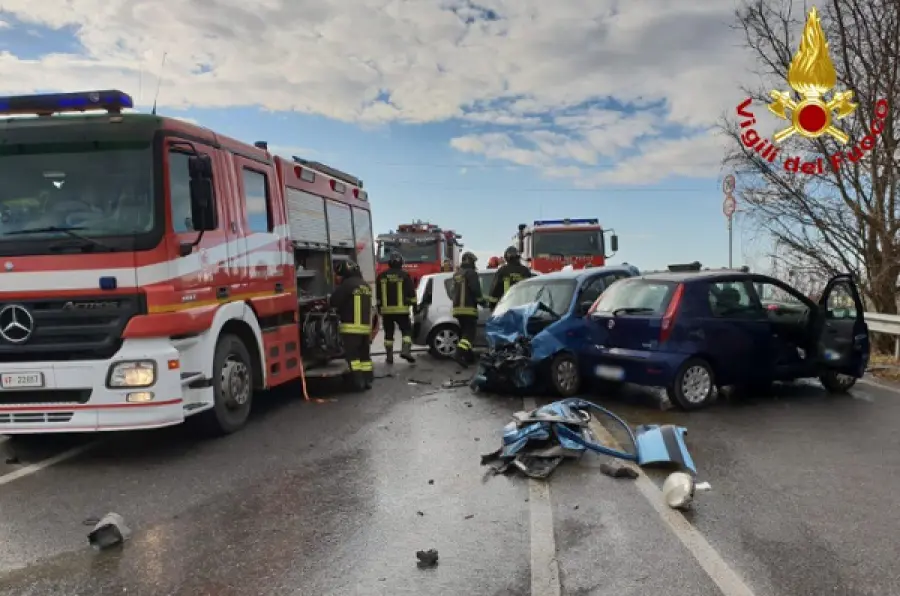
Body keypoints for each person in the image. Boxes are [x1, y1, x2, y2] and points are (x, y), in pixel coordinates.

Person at [330, 259, 373, 391]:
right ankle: (368, 381)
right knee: (364, 356)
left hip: (351, 329)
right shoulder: (365, 285)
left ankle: (358, 382)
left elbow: (334, 302)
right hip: (365, 328)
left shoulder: (347, 286)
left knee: (353, 357)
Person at [375, 250, 417, 364]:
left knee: (388, 334)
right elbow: (412, 294)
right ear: (401, 263)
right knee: (407, 331)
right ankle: (406, 350)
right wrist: (415, 307)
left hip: (386, 312)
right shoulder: (405, 275)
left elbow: (377, 296)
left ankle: (389, 357)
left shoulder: (381, 276)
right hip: (402, 311)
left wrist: (379, 309)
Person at [451, 251, 486, 366]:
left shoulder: (456, 274)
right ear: (469, 261)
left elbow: (453, 292)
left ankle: (468, 357)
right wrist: (483, 302)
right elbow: (476, 290)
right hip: (469, 308)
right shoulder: (471, 273)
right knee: (469, 335)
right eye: (473, 261)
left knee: (465, 333)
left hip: (457, 309)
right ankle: (458, 354)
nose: (474, 263)